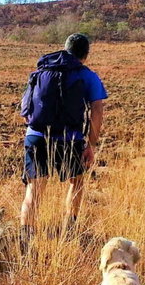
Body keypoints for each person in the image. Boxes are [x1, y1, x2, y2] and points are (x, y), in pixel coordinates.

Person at [19, 33, 108, 246]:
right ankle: (69, 232)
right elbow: (97, 110)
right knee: (76, 182)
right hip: (70, 139)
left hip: (36, 136)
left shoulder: (41, 72)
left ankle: (25, 241)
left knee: (34, 189)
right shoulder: (87, 75)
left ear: (65, 48)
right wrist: (91, 145)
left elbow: (25, 110)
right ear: (86, 54)